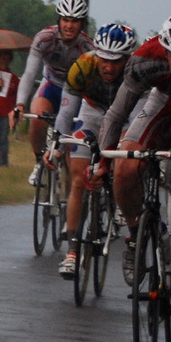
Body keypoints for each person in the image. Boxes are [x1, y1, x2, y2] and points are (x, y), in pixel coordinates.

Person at [95, 12, 171, 286]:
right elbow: (116, 115)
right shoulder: (145, 61)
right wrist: (103, 162)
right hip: (166, 104)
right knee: (125, 167)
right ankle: (136, 237)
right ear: (164, 51)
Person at [50, 24, 137, 278]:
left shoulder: (136, 71)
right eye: (104, 60)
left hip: (125, 117)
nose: (108, 67)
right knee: (78, 179)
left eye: (116, 61)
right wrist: (56, 146)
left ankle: (118, 195)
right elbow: (66, 113)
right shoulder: (83, 66)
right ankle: (72, 251)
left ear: (127, 58)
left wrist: (118, 150)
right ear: (96, 54)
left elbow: (135, 120)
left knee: (124, 159)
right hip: (92, 113)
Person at [12, 0, 94, 185]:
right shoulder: (45, 38)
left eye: (74, 21)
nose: (69, 25)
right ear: (59, 20)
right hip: (52, 86)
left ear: (81, 24)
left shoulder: (88, 48)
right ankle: (39, 160)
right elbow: (30, 73)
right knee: (38, 116)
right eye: (66, 20)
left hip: (77, 94)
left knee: (69, 147)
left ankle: (70, 186)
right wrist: (20, 104)